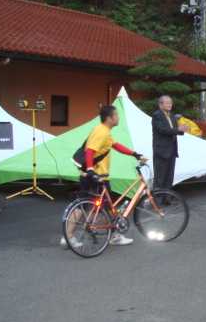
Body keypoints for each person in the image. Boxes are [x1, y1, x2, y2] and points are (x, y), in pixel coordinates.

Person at [61, 105, 147, 248]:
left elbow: (116, 145)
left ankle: (110, 235)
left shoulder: (103, 131)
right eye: (116, 115)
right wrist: (90, 169)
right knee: (89, 206)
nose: (118, 117)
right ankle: (70, 236)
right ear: (109, 118)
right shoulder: (101, 132)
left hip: (94, 175)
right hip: (96, 176)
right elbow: (90, 151)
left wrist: (134, 154)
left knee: (99, 207)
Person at [152, 95, 189, 191]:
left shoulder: (172, 116)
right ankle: (158, 198)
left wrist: (183, 129)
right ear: (160, 105)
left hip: (172, 150)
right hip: (161, 151)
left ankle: (167, 196)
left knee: (169, 177)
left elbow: (175, 130)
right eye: (167, 103)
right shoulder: (157, 115)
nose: (170, 105)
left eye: (171, 103)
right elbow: (163, 130)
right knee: (160, 177)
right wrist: (178, 129)